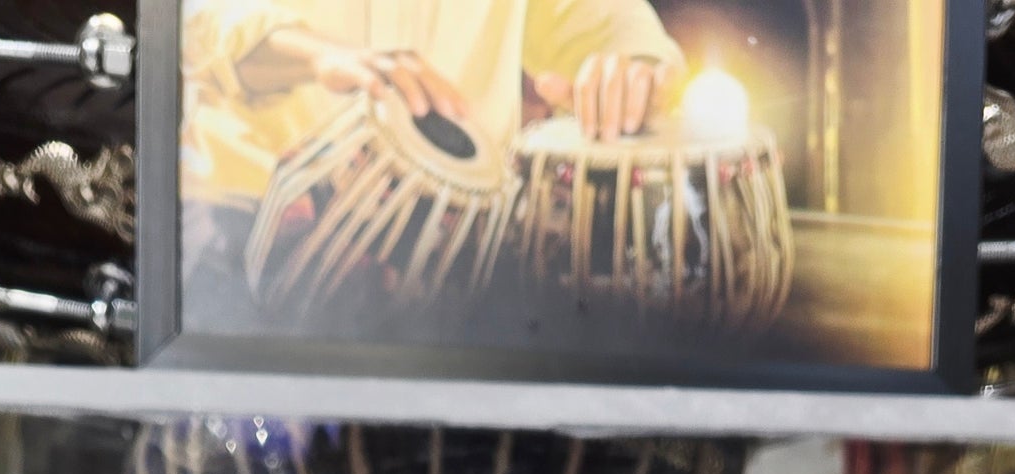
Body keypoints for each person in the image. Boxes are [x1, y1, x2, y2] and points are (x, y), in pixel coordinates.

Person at [183, 3, 690, 320]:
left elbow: (614, 27)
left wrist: (635, 68)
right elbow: (202, 19)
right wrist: (321, 55)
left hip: (451, 253)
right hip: (245, 224)